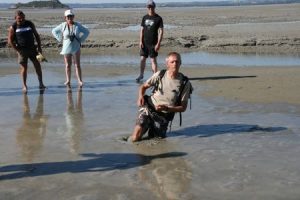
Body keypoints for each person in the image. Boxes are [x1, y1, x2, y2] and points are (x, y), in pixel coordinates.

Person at [129, 52, 192, 142]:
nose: (175, 64)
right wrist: (140, 97)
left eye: (177, 62)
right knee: (135, 138)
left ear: (180, 63)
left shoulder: (185, 83)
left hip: (164, 116)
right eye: (172, 62)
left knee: (155, 141)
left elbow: (183, 108)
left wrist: (166, 108)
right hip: (148, 108)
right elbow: (143, 87)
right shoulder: (160, 75)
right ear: (167, 64)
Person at [7, 10, 46, 93]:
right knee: (24, 68)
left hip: (33, 49)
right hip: (22, 50)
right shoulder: (13, 27)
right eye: (19, 18)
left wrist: (39, 47)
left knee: (38, 66)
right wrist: (17, 50)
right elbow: (10, 41)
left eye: (23, 17)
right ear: (15, 18)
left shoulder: (29, 23)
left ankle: (41, 83)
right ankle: (24, 85)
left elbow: (36, 35)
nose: (22, 19)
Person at [52, 9, 89, 88]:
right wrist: (59, 38)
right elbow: (54, 31)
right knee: (68, 65)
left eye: (71, 16)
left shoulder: (77, 25)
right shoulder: (62, 25)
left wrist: (81, 39)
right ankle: (68, 80)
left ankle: (80, 80)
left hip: (76, 47)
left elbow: (86, 32)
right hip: (66, 47)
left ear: (73, 17)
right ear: (65, 17)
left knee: (77, 64)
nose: (69, 18)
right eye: (68, 17)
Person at [136, 0, 164, 82]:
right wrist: (140, 41)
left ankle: (155, 76)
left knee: (153, 60)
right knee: (142, 59)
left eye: (151, 7)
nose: (150, 8)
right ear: (147, 7)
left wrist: (158, 43)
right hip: (144, 43)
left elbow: (161, 31)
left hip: (153, 43)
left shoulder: (158, 18)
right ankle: (141, 75)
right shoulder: (144, 17)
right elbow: (141, 30)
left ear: (154, 7)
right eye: (148, 7)